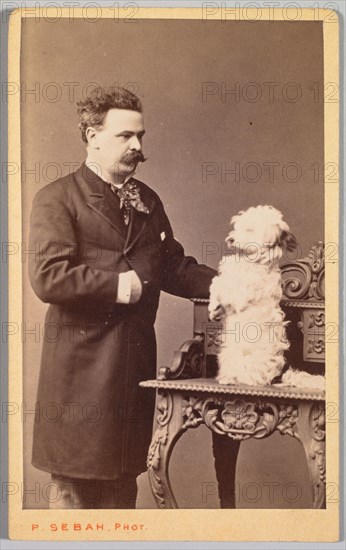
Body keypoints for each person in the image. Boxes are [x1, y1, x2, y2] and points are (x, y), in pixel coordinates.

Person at [28, 85, 240, 509]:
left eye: (140, 136)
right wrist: (121, 286)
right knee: (73, 503)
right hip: (79, 385)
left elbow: (173, 266)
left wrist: (232, 283)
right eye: (126, 136)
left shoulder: (147, 200)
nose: (138, 146)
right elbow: (48, 277)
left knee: (123, 496)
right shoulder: (56, 198)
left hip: (130, 380)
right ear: (93, 135)